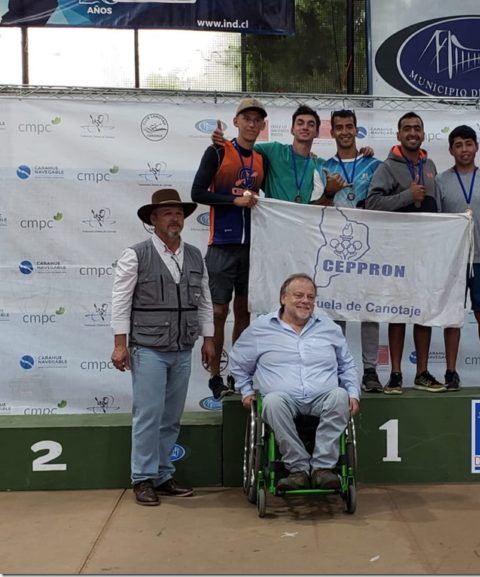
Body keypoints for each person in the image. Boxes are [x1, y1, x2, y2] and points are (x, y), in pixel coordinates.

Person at [110, 189, 216, 506]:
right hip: (148, 348)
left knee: (171, 417)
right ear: (153, 219)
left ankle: (162, 475)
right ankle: (142, 478)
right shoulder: (135, 254)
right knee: (148, 414)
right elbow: (120, 302)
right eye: (168, 213)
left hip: (183, 347)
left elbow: (205, 301)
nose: (175, 218)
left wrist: (209, 339)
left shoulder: (195, 255)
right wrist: (120, 345)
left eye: (179, 213)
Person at [228, 273, 360, 491]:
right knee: (272, 401)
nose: (305, 301)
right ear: (283, 298)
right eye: (299, 295)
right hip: (283, 399)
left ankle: (322, 469)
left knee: (340, 396)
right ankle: (298, 469)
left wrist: (353, 393)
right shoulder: (261, 329)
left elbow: (346, 365)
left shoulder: (330, 328)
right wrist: (246, 390)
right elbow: (238, 362)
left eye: (310, 297)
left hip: (322, 397)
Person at [365, 111, 446, 394]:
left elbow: (435, 206)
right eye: (407, 128)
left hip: (425, 252)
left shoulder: (430, 164)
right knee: (398, 311)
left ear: (423, 133)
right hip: (397, 251)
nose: (412, 133)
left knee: (423, 312)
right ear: (398, 134)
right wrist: (407, 196)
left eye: (417, 128)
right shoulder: (387, 167)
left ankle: (422, 372)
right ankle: (396, 373)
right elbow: (372, 204)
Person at [191, 98, 265, 400]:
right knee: (219, 311)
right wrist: (233, 201)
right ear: (236, 122)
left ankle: (238, 373)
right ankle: (215, 376)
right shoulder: (218, 151)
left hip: (251, 247)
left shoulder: (261, 158)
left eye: (257, 120)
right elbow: (197, 193)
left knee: (244, 313)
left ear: (262, 125)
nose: (252, 124)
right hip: (221, 244)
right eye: (246, 118)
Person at [317, 108, 385, 393]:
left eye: (349, 126)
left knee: (369, 308)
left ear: (357, 129)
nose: (345, 132)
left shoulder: (375, 164)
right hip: (336, 247)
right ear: (332, 132)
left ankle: (370, 371)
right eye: (339, 127)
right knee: (337, 310)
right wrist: (330, 192)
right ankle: (338, 372)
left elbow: (384, 203)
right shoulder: (323, 167)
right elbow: (316, 208)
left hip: (368, 246)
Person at [436, 125, 480, 392]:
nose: (464, 149)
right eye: (458, 145)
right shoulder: (440, 181)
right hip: (453, 259)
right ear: (451, 150)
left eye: (468, 143)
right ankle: (451, 373)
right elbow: (436, 221)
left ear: (476, 147)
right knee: (452, 316)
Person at [212, 104, 339, 204]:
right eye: (300, 123)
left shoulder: (321, 165)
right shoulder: (274, 150)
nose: (305, 127)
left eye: (311, 124)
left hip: (304, 225)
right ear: (292, 130)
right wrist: (223, 142)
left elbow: (321, 208)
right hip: (273, 224)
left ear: (317, 133)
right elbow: (242, 149)